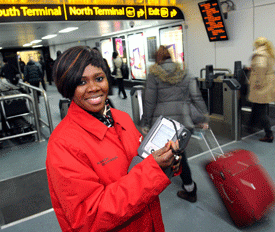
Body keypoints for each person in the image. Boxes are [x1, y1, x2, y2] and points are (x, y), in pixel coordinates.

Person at [46, 46, 181, 231]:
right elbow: (88, 216)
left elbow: (142, 166)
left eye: (99, 78)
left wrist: (169, 161)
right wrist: (153, 170)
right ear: (68, 87)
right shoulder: (63, 144)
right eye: (81, 82)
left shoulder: (121, 118)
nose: (94, 88)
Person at [140, 45, 209, 203]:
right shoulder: (184, 72)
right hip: (183, 121)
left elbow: (149, 102)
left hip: (164, 123)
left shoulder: (153, 75)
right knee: (179, 154)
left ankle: (189, 188)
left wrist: (145, 122)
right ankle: (188, 186)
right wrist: (203, 117)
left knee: (166, 154)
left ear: (157, 58)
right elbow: (196, 96)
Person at [247, 37, 275, 142]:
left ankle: (269, 134)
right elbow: (265, 67)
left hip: (262, 85)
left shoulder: (260, 54)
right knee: (256, 106)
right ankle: (251, 127)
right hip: (268, 84)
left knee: (261, 110)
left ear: (257, 44)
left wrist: (257, 83)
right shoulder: (269, 53)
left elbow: (261, 68)